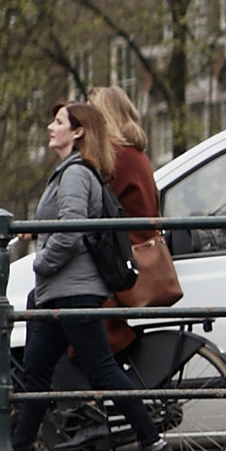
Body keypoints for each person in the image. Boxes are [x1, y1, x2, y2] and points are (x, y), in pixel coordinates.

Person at [14, 101, 175, 451]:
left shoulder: (74, 174)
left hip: (73, 291)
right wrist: (37, 230)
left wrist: (40, 262)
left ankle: (153, 444)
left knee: (102, 369)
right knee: (37, 373)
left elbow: (71, 232)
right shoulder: (72, 173)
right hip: (58, 293)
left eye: (58, 122)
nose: (50, 127)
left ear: (78, 131)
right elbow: (65, 224)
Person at [90, 86, 160, 357]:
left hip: (124, 258)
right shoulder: (137, 155)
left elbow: (95, 207)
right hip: (142, 250)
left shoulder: (114, 158)